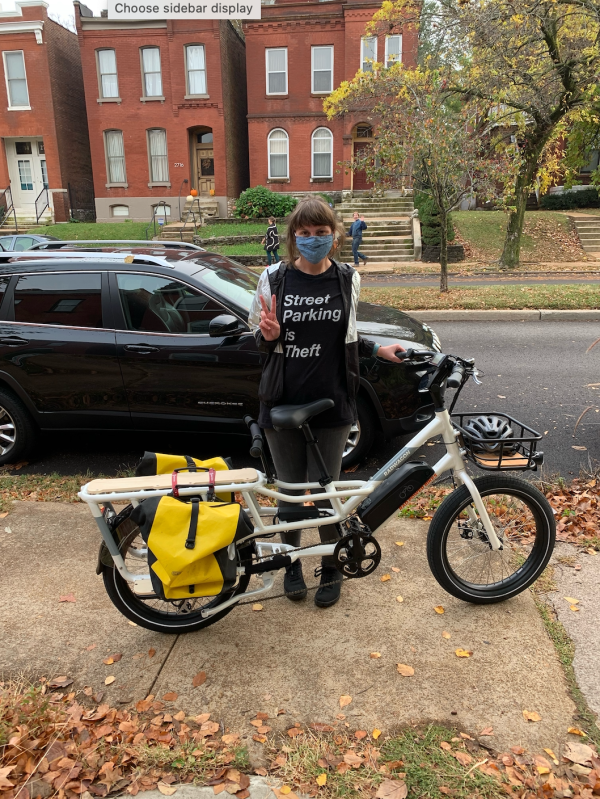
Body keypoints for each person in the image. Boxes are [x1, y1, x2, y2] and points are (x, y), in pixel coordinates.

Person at [248, 197, 406, 608]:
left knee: (326, 495)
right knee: (289, 493)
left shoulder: (347, 278)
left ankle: (332, 567)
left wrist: (377, 349)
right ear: (293, 237)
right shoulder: (272, 279)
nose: (313, 240)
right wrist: (268, 335)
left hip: (333, 401)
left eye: (321, 233)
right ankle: (292, 564)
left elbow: (347, 334)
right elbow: (259, 341)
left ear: (334, 237)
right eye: (304, 233)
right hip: (282, 401)